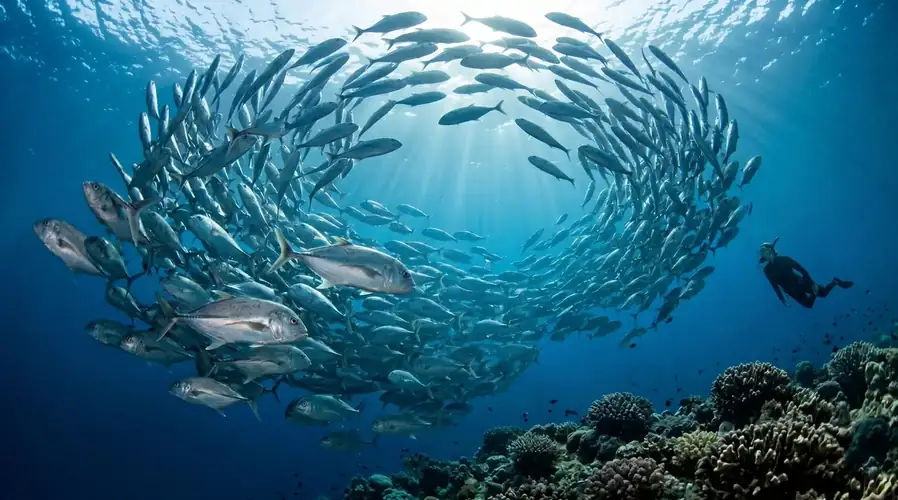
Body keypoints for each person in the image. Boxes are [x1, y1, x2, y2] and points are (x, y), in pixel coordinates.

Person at [759, 237, 853, 308]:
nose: (762, 253)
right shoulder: (767, 270)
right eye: (761, 252)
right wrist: (781, 298)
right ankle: (820, 289)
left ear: (770, 250)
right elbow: (774, 286)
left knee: (823, 293)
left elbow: (801, 270)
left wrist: (812, 283)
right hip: (791, 291)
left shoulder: (785, 260)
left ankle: (835, 282)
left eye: (764, 250)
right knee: (809, 305)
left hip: (800, 283)